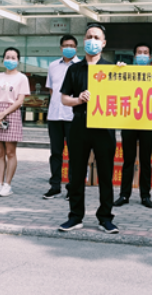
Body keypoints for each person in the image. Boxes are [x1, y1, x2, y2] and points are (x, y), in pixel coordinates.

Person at [58, 23, 119, 234]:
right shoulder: (74, 69)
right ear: (84, 41)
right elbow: (64, 99)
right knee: (76, 173)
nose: (92, 41)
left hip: (104, 126)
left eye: (96, 37)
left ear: (104, 43)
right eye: (89, 37)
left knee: (105, 174)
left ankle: (105, 218)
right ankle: (75, 216)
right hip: (79, 124)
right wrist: (78, 99)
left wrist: (123, 73)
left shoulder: (112, 69)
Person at [114, 43, 152, 209]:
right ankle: (124, 194)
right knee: (128, 160)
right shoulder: (126, 72)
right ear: (134, 56)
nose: (142, 55)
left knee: (146, 160)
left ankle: (145, 195)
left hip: (149, 122)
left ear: (150, 57)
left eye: (146, 53)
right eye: (139, 52)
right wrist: (118, 69)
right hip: (129, 121)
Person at [0, 47, 31, 197]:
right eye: (7, 57)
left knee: (10, 152)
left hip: (11, 112)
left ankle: (8, 185)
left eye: (13, 58)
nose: (10, 60)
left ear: (18, 60)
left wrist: (3, 114)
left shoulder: (22, 78)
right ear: (3, 59)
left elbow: (20, 101)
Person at [43, 35, 80, 200]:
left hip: (73, 116)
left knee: (74, 154)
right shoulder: (53, 66)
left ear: (76, 48)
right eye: (65, 45)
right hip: (54, 116)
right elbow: (52, 89)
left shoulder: (82, 66)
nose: (68, 48)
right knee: (55, 153)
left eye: (71, 45)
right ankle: (55, 186)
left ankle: (72, 187)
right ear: (60, 48)